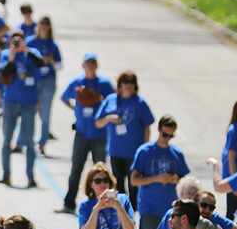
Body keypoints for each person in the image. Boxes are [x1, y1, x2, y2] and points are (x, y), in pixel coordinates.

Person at [129, 116, 189, 229]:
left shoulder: (176, 154)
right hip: (149, 209)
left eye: (170, 136)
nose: (166, 138)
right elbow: (134, 180)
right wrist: (157, 178)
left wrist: (175, 180)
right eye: (164, 134)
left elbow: (186, 181)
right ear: (158, 130)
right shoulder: (145, 151)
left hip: (171, 212)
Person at [59, 54, 116, 212]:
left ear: (96, 66)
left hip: (100, 135)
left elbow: (114, 102)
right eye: (87, 63)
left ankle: (105, 205)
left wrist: (98, 98)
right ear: (83, 65)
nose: (90, 66)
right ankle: (69, 203)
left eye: (93, 63)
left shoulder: (104, 83)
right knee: (76, 169)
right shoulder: (77, 82)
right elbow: (63, 97)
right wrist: (75, 109)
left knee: (102, 174)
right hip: (82, 133)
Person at [94, 72, 154, 210]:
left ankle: (132, 213)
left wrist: (145, 148)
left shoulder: (140, 102)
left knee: (134, 186)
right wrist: (109, 118)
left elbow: (147, 126)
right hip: (116, 151)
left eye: (132, 82)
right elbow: (98, 123)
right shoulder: (111, 100)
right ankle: (122, 211)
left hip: (134, 152)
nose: (129, 85)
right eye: (126, 82)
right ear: (120, 84)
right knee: (118, 185)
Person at [0, 31, 45, 187]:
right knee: (6, 140)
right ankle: (6, 174)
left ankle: (30, 176)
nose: (17, 42)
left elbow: (40, 64)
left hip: (29, 102)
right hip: (11, 101)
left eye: (20, 39)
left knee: (30, 141)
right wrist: (12, 56)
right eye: (14, 39)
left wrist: (26, 51)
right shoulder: (5, 54)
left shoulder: (32, 53)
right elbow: (3, 72)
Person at [28, 17, 61, 156]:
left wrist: (50, 60)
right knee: (29, 109)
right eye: (41, 23)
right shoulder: (31, 42)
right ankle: (24, 140)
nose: (44, 26)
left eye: (47, 24)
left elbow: (60, 65)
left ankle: (42, 142)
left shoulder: (53, 44)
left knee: (46, 112)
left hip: (48, 79)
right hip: (34, 79)